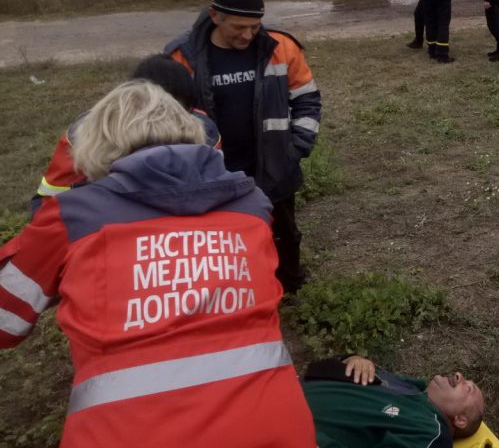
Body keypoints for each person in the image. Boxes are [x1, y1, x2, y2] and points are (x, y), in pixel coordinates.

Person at [0, 81, 317, 448]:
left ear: (94, 146)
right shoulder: (251, 204)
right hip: (275, 427)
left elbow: (6, 322)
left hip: (126, 433)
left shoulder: (70, 218)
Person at [165, 0, 322, 293]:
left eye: (254, 27)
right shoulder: (182, 56)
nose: (248, 35)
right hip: (211, 175)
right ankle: (237, 291)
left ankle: (290, 285)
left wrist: (296, 149)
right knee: (222, 239)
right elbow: (164, 119)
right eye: (238, 27)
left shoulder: (281, 47)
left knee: (284, 233)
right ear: (214, 16)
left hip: (273, 168)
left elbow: (307, 99)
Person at [32, 53, 221, 212]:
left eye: (176, 110)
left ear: (189, 108)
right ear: (132, 100)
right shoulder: (86, 132)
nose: (166, 120)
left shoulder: (206, 131)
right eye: (155, 111)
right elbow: (50, 201)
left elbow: (214, 189)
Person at [303, 354, 485, 448]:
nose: (458, 375)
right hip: (287, 389)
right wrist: (352, 359)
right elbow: (317, 369)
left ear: (460, 420)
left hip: (288, 433)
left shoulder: (432, 435)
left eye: (468, 389)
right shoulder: (410, 387)